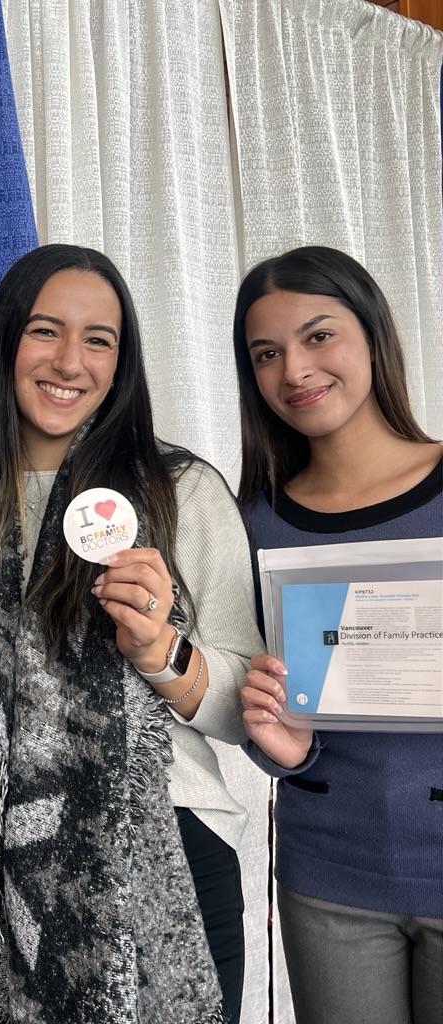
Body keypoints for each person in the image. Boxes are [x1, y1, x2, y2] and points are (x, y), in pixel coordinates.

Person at [0, 243, 264, 1024]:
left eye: (99, 339)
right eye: (46, 331)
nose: (70, 360)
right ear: (6, 343)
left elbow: (246, 709)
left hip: (163, 854)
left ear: (121, 364)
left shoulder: (180, 491)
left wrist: (163, 652)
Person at [233, 245, 442, 1024]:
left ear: (373, 335)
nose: (294, 370)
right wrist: (278, 745)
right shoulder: (255, 523)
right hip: (329, 878)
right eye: (266, 353)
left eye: (318, 336)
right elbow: (263, 701)